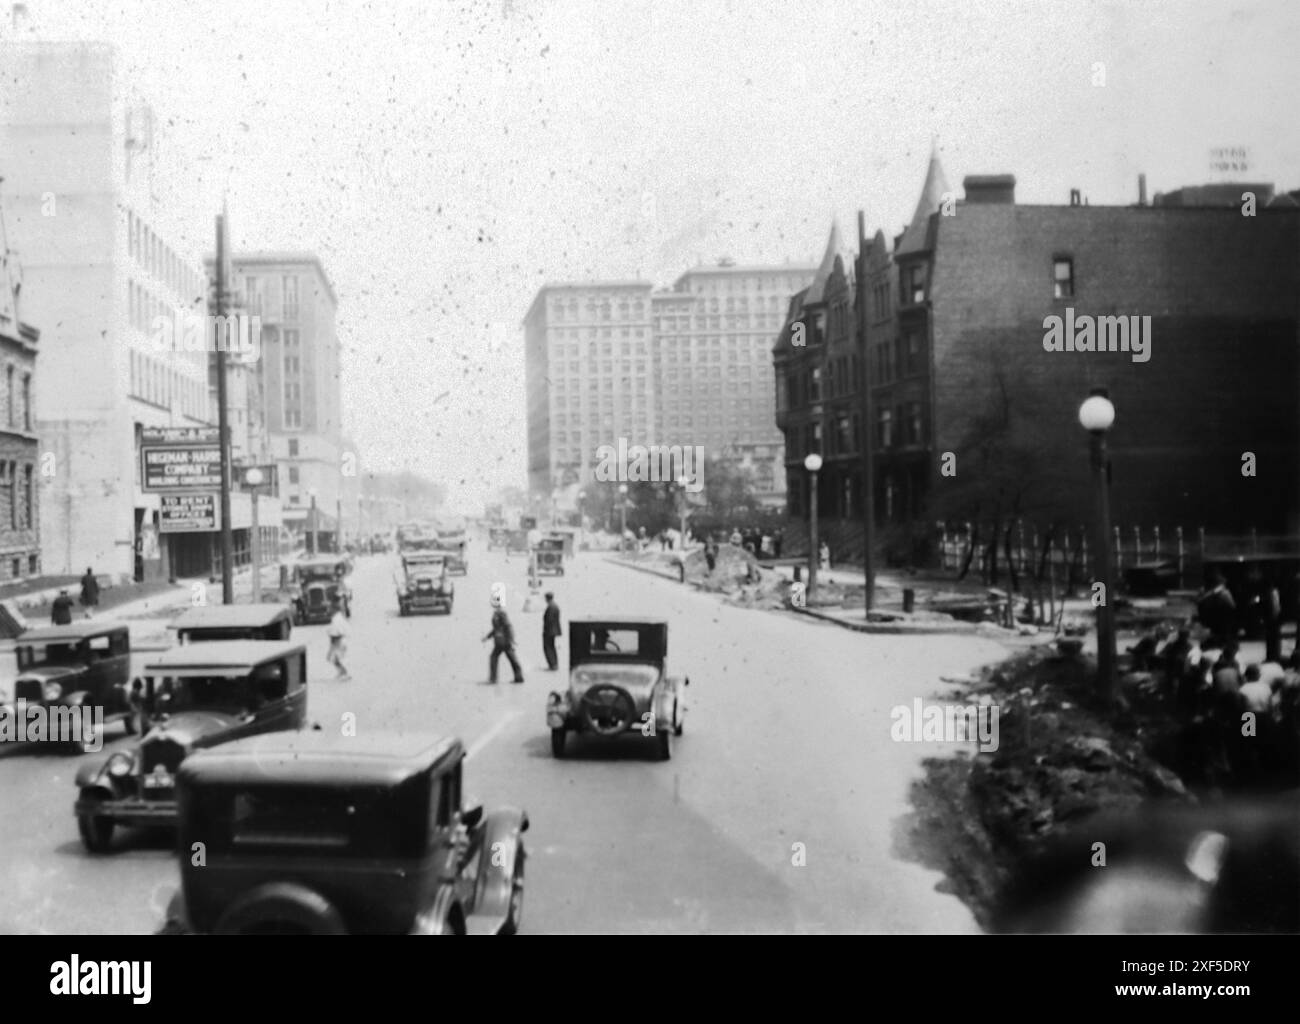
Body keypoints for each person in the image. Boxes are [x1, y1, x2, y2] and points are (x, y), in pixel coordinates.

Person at [483, 599, 524, 684]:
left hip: (504, 641)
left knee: (511, 659)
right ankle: (494, 678)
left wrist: (511, 640)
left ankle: (517, 677)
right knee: (497, 658)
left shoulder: (502, 614)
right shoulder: (496, 614)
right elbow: (495, 629)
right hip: (499, 642)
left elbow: (508, 627)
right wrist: (487, 637)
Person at [326, 598, 350, 680]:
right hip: (341, 640)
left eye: (330, 609)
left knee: (334, 658)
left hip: (338, 641)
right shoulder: (338, 617)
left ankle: (344, 673)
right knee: (335, 658)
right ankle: (341, 672)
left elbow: (336, 633)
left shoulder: (336, 619)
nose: (329, 610)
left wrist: (332, 647)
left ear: (334, 609)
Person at [542, 592, 562, 671]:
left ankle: (552, 664)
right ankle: (554, 663)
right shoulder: (555, 606)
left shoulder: (551, 607)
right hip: (554, 630)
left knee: (548, 647)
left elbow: (549, 620)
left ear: (547, 598)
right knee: (552, 647)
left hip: (549, 631)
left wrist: (545, 630)